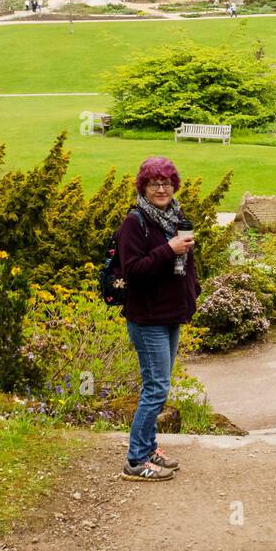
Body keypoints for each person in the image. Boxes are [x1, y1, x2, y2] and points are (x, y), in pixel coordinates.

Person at [117, 156, 199, 481]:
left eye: (166, 182)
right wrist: (170, 249)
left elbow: (186, 266)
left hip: (170, 315)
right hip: (147, 318)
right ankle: (135, 461)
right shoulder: (133, 223)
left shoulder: (175, 217)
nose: (162, 188)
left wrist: (193, 291)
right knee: (156, 389)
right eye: (154, 183)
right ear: (144, 187)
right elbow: (133, 271)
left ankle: (149, 448)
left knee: (157, 387)